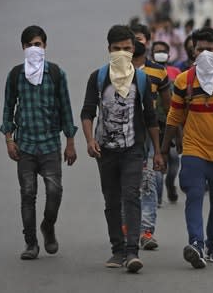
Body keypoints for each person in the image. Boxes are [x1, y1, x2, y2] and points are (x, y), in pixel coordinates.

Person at [161, 27, 213, 269]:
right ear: (192, 52)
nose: (205, 53)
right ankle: (197, 243)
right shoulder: (183, 80)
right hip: (193, 148)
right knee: (195, 194)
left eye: (210, 49)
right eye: (200, 49)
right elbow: (174, 117)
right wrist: (163, 151)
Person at [80, 25, 163, 273]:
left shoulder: (141, 79)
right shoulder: (98, 77)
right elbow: (87, 112)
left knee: (131, 196)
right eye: (117, 49)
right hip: (105, 150)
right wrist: (89, 140)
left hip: (133, 150)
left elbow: (150, 118)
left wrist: (157, 151)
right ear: (109, 49)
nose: (122, 53)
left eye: (127, 49)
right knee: (112, 200)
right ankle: (117, 249)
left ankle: (132, 252)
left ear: (133, 49)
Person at [0, 25, 78, 260]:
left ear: (45, 46)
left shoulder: (56, 74)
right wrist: (9, 140)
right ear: (23, 48)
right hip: (25, 146)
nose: (34, 48)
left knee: (55, 191)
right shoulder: (15, 75)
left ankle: (48, 225)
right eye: (29, 45)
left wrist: (70, 141)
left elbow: (66, 108)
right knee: (28, 194)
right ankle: (31, 243)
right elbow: (8, 108)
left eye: (38, 44)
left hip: (50, 145)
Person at [130, 24, 170, 250]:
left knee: (149, 183)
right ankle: (128, 229)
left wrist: (166, 140)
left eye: (140, 39)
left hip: (149, 134)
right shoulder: (116, 70)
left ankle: (146, 231)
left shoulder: (158, 71)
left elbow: (168, 105)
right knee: (127, 184)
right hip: (123, 136)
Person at [151, 41, 183, 204]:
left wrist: (179, 133)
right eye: (157, 51)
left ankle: (170, 184)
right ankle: (157, 197)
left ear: (169, 55)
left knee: (174, 161)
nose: (160, 54)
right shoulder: (146, 74)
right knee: (157, 162)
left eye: (163, 51)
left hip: (170, 125)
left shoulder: (175, 73)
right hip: (154, 126)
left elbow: (176, 106)